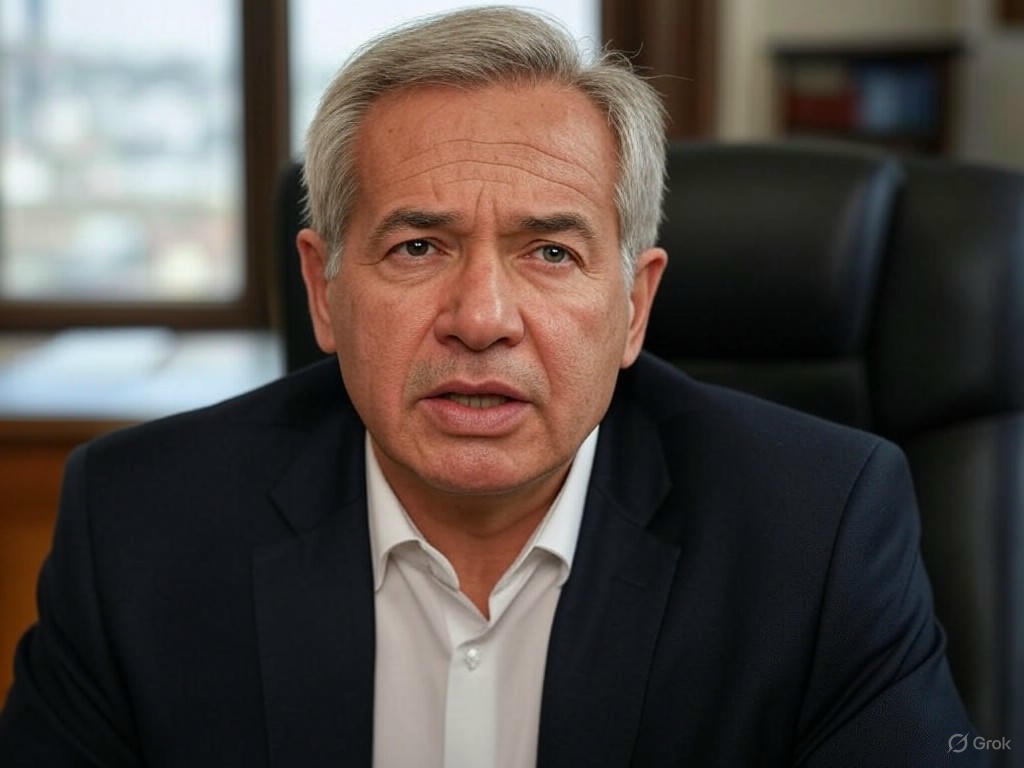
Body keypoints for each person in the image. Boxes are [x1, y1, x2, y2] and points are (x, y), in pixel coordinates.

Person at [0, 7, 983, 767]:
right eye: (417, 246)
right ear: (323, 291)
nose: (481, 317)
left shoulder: (815, 532)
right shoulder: (141, 525)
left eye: (549, 252)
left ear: (634, 305)